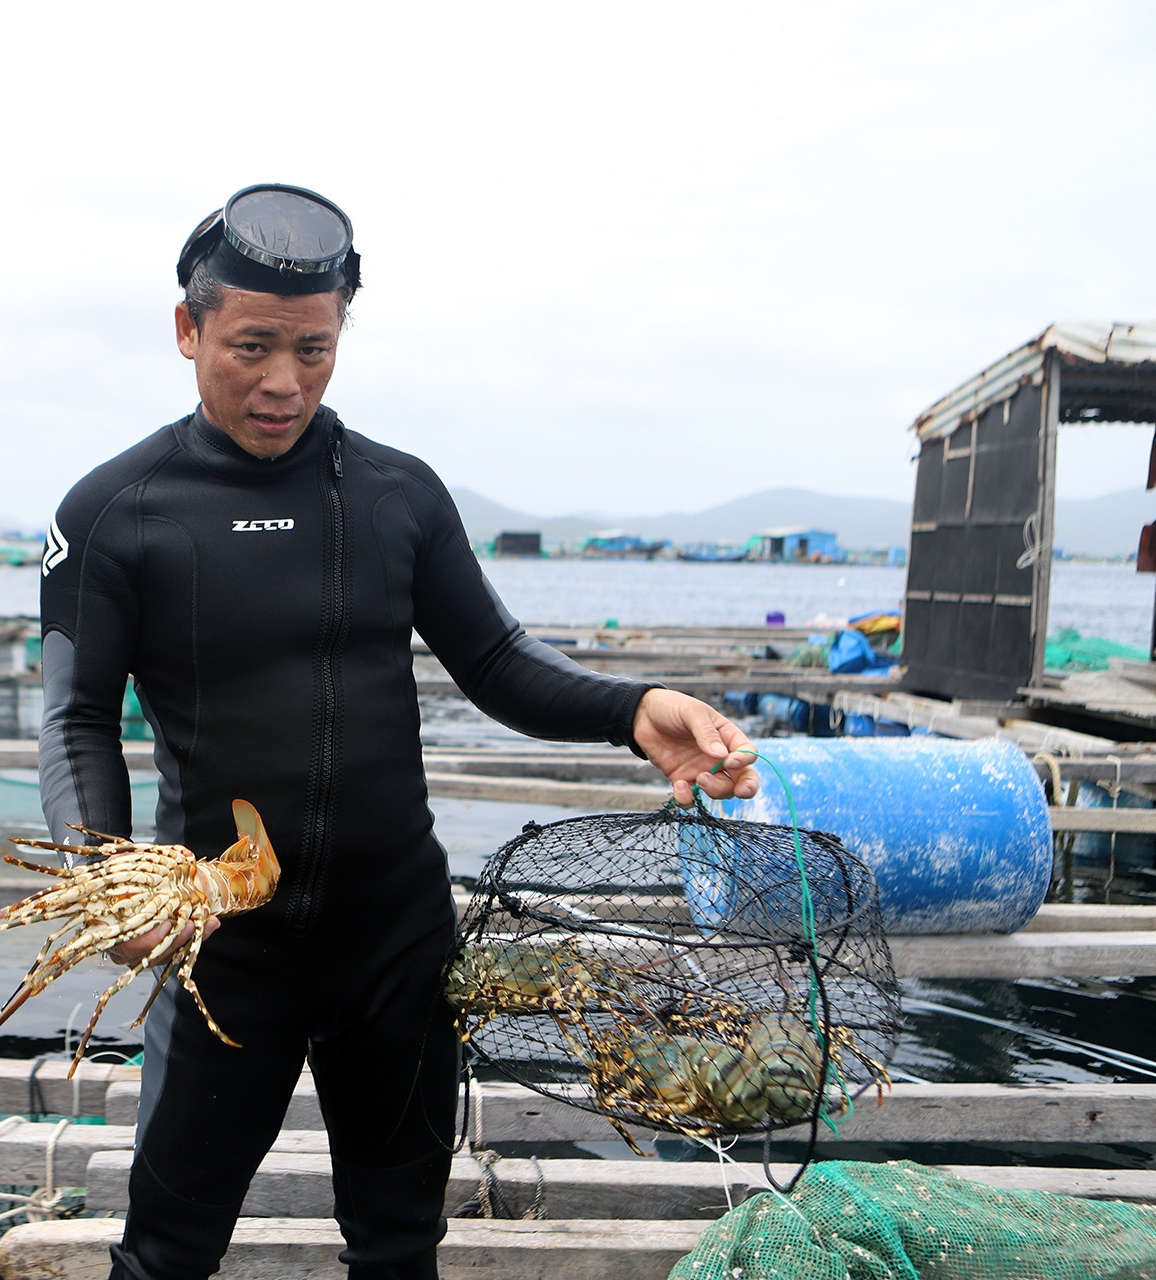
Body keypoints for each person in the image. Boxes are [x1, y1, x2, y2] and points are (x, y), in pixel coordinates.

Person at [37, 184, 759, 1280]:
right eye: (252, 347)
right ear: (187, 331)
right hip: (228, 951)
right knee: (166, 1252)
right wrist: (112, 874)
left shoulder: (395, 496)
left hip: (396, 946)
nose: (284, 382)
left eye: (315, 351)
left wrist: (632, 709)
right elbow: (77, 717)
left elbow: (500, 663)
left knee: (398, 1246)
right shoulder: (111, 512)